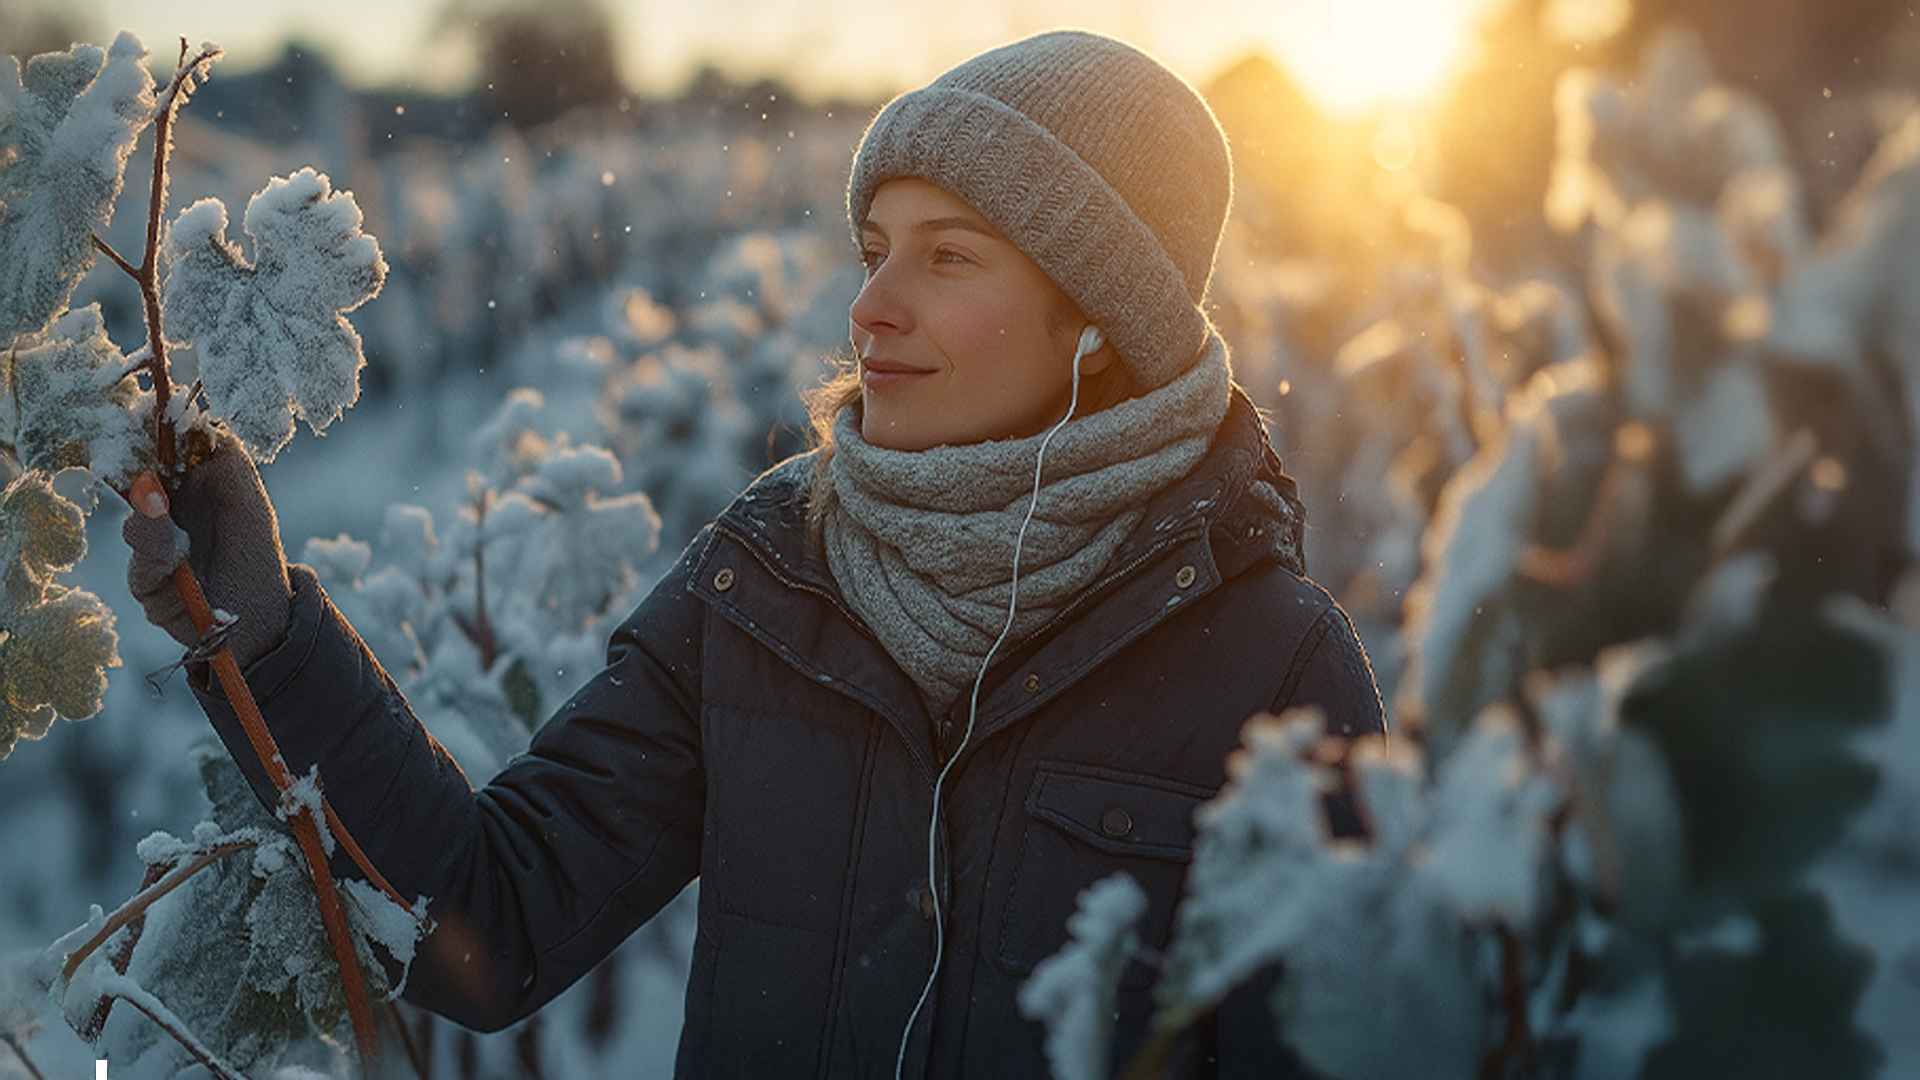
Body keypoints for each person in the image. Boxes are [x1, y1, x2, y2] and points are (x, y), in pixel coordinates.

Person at [124, 28, 1385, 1079]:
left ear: (1101, 320)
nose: (872, 304)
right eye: (876, 249)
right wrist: (267, 634)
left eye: (948, 256)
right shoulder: (771, 579)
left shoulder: (1273, 673)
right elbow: (493, 920)